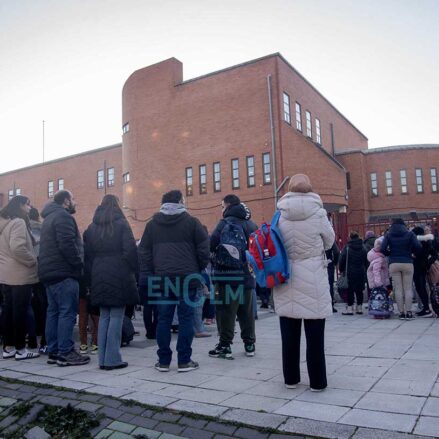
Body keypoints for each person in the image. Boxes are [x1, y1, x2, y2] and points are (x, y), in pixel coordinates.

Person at [273, 174, 334, 392]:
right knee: (315, 335)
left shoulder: (280, 214)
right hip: (313, 277)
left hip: (286, 276)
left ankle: (291, 379)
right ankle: (317, 382)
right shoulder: (319, 213)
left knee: (289, 334)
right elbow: (329, 242)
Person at [138, 190, 209, 372]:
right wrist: (198, 269)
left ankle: (163, 361)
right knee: (186, 319)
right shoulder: (192, 222)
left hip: (162, 279)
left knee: (163, 319)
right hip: (187, 278)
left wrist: (154, 270)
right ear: (180, 201)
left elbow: (143, 252)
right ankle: (184, 360)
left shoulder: (152, 225)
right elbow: (203, 250)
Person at [83, 195, 139, 370]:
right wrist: (135, 270)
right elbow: (130, 250)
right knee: (116, 315)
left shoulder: (91, 228)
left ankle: (102, 359)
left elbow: (87, 256)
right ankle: (113, 358)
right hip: (119, 272)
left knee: (104, 316)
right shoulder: (122, 224)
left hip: (98, 273)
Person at [38, 190, 90, 366]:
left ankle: (53, 351)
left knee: (53, 312)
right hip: (64, 272)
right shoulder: (63, 217)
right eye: (73, 199)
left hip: (49, 272)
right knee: (67, 313)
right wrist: (78, 264)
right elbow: (67, 244)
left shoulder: (48, 219)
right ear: (66, 201)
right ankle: (66, 352)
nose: (75, 202)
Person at [209, 195, 257, 359]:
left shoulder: (224, 223)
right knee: (246, 312)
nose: (221, 209)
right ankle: (249, 344)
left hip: (226, 277)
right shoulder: (251, 224)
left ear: (227, 205)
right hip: (247, 276)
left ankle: (225, 345)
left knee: (225, 312)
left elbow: (211, 244)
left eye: (222, 206)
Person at [0, 195, 40, 360]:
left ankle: (8, 348)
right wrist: (31, 261)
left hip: (5, 273)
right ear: (20, 206)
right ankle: (21, 349)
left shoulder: (3, 223)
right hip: (20, 273)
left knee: (8, 311)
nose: (30, 208)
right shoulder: (18, 222)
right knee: (20, 312)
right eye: (28, 205)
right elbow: (17, 248)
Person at [380, 218, 421, 320]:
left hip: (394, 263)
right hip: (407, 262)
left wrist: (390, 254)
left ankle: (401, 313)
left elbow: (382, 249)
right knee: (408, 288)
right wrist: (412, 253)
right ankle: (409, 312)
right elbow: (418, 246)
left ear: (392, 225)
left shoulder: (389, 234)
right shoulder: (410, 234)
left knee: (398, 288)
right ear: (404, 224)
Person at [29, 207, 48, 354]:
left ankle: (31, 338)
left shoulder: (23, 228)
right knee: (45, 304)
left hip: (26, 270)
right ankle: (44, 338)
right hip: (43, 268)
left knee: (29, 305)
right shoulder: (44, 229)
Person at [339, 232, 367, 315]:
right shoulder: (363, 247)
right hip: (361, 271)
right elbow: (366, 260)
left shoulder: (347, 247)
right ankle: (359, 308)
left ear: (350, 237)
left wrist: (341, 270)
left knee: (350, 290)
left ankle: (350, 308)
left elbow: (342, 260)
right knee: (359, 290)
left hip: (350, 272)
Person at [412, 226, 437, 317]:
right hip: (422, 268)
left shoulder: (421, 242)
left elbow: (433, 254)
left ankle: (426, 309)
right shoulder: (426, 241)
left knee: (421, 288)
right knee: (421, 288)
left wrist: (426, 264)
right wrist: (427, 263)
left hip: (419, 268)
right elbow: (434, 255)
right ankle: (425, 308)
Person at [325, 242, 340, 312]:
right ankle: (330, 305)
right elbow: (336, 252)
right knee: (329, 285)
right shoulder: (328, 239)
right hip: (328, 263)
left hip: (317, 263)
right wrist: (334, 262)